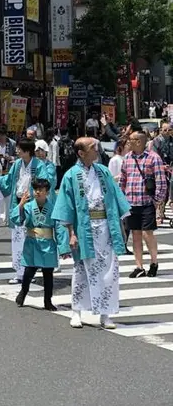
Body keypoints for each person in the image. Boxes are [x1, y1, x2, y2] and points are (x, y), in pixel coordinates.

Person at [53, 137, 130, 329]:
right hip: (84, 228)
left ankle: (106, 314)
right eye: (93, 147)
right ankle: (76, 311)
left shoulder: (103, 171)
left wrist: (120, 227)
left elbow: (115, 200)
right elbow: (66, 207)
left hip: (106, 226)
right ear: (81, 153)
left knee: (109, 271)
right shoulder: (71, 175)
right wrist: (71, 233)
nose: (97, 150)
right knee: (81, 272)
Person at [0, 139, 50, 284]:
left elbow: (43, 183)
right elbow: (9, 179)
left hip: (32, 205)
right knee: (17, 239)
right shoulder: (17, 164)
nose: (17, 151)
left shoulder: (39, 166)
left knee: (31, 239)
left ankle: (30, 271)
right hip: (18, 204)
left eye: (19, 149)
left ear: (27, 151)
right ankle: (19, 272)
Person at [11, 177, 70, 311]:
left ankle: (47, 300)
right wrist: (20, 205)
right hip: (32, 242)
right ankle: (23, 292)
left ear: (47, 192)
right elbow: (17, 220)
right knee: (28, 272)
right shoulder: (28, 206)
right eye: (36, 189)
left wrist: (63, 248)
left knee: (48, 274)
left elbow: (59, 228)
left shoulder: (53, 208)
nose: (38, 192)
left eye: (41, 190)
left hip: (48, 243)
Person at [120, 129, 167, 278]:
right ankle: (138, 266)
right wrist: (122, 198)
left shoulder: (153, 158)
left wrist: (157, 201)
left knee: (148, 234)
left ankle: (153, 262)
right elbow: (123, 180)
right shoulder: (127, 158)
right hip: (131, 203)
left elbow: (161, 181)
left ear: (139, 141)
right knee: (135, 234)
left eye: (131, 140)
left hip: (147, 202)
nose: (128, 142)